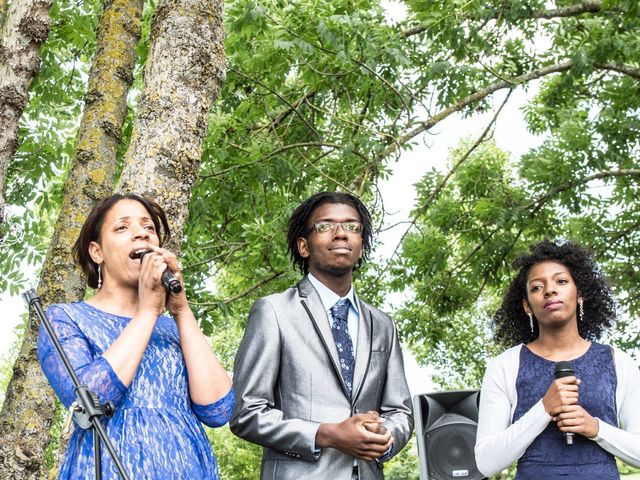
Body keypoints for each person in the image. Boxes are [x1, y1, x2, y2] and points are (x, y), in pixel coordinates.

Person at [37, 193, 234, 479]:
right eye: (122, 227)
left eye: (148, 228)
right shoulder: (64, 318)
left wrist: (181, 311)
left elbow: (218, 410)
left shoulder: (173, 328)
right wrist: (147, 312)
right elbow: (89, 400)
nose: (141, 233)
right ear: (97, 252)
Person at [230, 191, 413, 480]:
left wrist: (385, 436)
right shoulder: (273, 312)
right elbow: (246, 413)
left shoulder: (383, 324)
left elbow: (400, 411)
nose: (341, 234)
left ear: (361, 246)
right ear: (304, 246)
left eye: (352, 227)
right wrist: (326, 434)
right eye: (326, 226)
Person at [475, 239, 640, 479]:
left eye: (561, 281)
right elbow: (486, 462)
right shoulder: (505, 366)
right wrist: (544, 408)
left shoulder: (617, 361)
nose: (550, 290)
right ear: (527, 306)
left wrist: (595, 428)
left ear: (580, 294)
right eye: (536, 287)